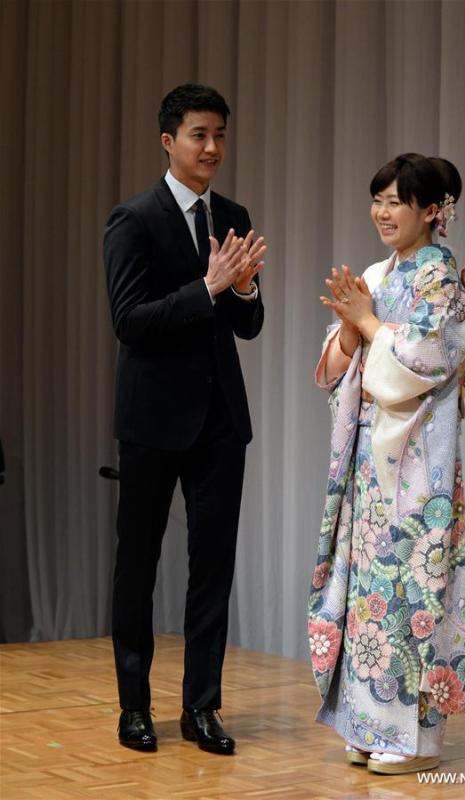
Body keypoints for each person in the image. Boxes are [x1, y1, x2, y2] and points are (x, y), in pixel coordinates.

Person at [104, 83, 265, 755]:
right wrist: (207, 288)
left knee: (213, 570)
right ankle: (134, 708)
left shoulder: (231, 214)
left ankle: (202, 707)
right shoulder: (133, 219)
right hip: (152, 419)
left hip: (221, 420)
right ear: (169, 141)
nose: (213, 148)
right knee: (137, 568)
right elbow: (130, 322)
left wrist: (244, 287)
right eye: (200, 135)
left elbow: (249, 325)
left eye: (221, 135)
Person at [309, 153, 465, 774]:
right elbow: (334, 373)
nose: (382, 212)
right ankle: (365, 720)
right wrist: (352, 332)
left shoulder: (443, 280)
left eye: (396, 201)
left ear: (432, 211)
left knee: (411, 585)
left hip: (417, 462)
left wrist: (369, 324)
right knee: (366, 590)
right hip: (370, 457)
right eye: (377, 199)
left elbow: (423, 362)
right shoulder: (381, 272)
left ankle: (414, 738)